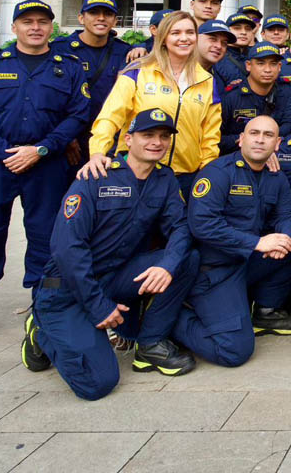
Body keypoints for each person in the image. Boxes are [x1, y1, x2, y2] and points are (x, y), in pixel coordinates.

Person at [22, 109, 198, 399]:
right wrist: (99, 307)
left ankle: (150, 343)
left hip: (115, 277)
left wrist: (166, 265)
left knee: (186, 260)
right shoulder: (96, 176)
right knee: (97, 384)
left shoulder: (164, 178)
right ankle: (41, 331)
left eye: (164, 136)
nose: (157, 142)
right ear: (128, 139)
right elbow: (67, 249)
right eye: (148, 135)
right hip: (67, 289)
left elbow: (180, 227)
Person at [0, 0, 90, 338]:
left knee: (46, 239)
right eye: (27, 21)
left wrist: (41, 149)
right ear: (15, 27)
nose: (35, 27)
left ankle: (44, 313)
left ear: (51, 27)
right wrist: (6, 152)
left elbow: (78, 115)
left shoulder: (68, 67)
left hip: (46, 165)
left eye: (42, 21)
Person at [174, 115, 291, 367]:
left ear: (277, 144)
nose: (260, 140)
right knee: (234, 351)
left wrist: (285, 238)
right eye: (254, 133)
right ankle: (173, 317)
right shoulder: (218, 173)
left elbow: (288, 215)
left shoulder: (275, 176)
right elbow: (202, 224)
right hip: (216, 271)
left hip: (247, 263)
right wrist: (257, 243)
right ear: (241, 139)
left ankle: (265, 311)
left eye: (268, 135)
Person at [84, 10, 222, 200]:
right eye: (176, 33)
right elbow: (110, 116)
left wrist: (207, 170)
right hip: (137, 172)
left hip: (185, 177)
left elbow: (210, 135)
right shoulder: (137, 72)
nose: (184, 38)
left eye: (190, 32)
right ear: (163, 38)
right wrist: (97, 152)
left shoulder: (207, 80)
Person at [50, 0, 132, 153]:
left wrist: (141, 47)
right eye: (94, 13)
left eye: (108, 14)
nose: (101, 18)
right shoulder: (60, 49)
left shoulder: (125, 51)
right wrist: (65, 137)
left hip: (109, 137)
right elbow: (50, 96)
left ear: (115, 21)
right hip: (69, 138)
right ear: (81, 18)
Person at [220, 42, 291, 152]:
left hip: (275, 152)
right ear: (248, 65)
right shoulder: (232, 96)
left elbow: (289, 124)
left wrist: (267, 141)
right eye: (261, 63)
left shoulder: (286, 90)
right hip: (237, 155)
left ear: (279, 67)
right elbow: (217, 138)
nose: (267, 70)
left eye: (273, 64)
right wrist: (247, 139)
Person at [198, 19, 241, 89]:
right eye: (213, 39)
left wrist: (229, 91)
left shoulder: (217, 75)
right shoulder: (181, 71)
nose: (219, 46)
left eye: (224, 43)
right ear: (196, 39)